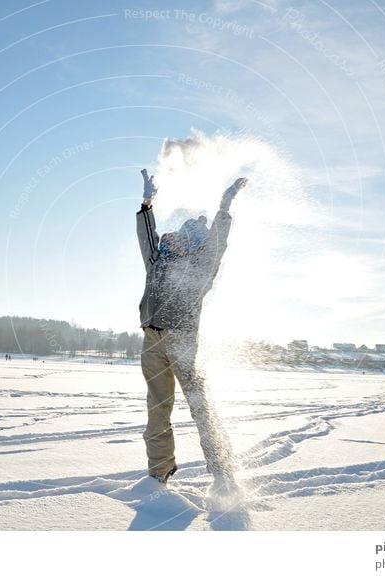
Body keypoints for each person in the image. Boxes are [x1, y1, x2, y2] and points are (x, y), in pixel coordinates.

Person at [136, 168, 247, 490]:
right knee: (157, 411)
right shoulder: (158, 261)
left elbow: (218, 242)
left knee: (199, 406)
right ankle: (158, 473)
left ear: (198, 245)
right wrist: (146, 202)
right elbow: (146, 237)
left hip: (183, 341)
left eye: (192, 238)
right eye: (183, 235)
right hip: (151, 340)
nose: (182, 241)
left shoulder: (202, 266)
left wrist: (224, 207)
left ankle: (223, 471)